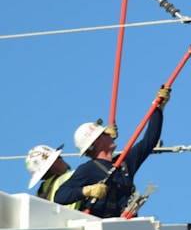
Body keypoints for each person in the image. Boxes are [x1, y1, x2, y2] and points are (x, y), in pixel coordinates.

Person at [54, 86, 171, 218]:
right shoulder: (89, 169)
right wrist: (87, 190)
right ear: (97, 143)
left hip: (125, 229)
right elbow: (60, 196)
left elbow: (149, 141)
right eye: (104, 133)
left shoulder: (124, 164)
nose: (109, 133)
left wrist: (158, 109)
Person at [25, 144, 79, 208]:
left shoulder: (39, 193)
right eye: (59, 157)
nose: (62, 158)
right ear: (53, 164)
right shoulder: (69, 177)